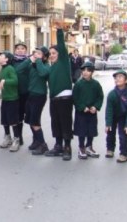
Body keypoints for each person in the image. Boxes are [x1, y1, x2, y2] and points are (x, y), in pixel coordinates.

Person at [45, 26, 74, 161]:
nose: (51, 55)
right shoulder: (51, 67)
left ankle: (67, 146)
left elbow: (61, 46)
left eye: (54, 53)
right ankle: (58, 145)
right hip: (54, 99)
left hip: (65, 98)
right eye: (50, 53)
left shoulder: (63, 61)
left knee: (65, 122)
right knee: (55, 122)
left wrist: (59, 32)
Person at [17, 46, 51, 155]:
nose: (36, 55)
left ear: (45, 57)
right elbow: (18, 70)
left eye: (39, 54)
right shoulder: (31, 64)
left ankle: (43, 145)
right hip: (30, 94)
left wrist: (39, 61)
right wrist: (29, 60)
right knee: (30, 120)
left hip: (39, 95)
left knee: (35, 122)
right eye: (35, 53)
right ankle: (36, 141)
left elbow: (43, 73)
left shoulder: (46, 66)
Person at [73, 61, 104, 159]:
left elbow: (100, 96)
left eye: (88, 70)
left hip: (92, 111)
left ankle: (89, 146)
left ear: (92, 72)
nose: (85, 72)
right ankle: (81, 147)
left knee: (91, 130)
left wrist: (95, 106)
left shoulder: (96, 84)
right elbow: (75, 98)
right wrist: (82, 107)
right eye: (84, 70)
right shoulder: (78, 84)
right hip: (81, 112)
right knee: (81, 130)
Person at [105, 70, 127, 163]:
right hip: (113, 115)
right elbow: (109, 110)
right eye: (116, 77)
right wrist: (108, 123)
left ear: (126, 80)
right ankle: (110, 149)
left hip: (124, 116)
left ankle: (124, 154)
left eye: (120, 77)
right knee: (110, 133)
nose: (117, 79)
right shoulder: (112, 94)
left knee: (123, 135)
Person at [0, 51, 20, 151]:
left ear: (6, 59)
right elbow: (2, 78)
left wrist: (4, 81)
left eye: (1, 56)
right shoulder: (3, 69)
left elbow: (15, 81)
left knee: (13, 121)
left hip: (12, 99)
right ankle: (7, 138)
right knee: (4, 120)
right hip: (5, 99)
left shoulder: (10, 68)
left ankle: (16, 139)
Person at [11, 42, 30, 148]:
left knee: (29, 116)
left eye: (22, 48)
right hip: (15, 93)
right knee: (17, 117)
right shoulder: (12, 61)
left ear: (25, 50)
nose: (20, 50)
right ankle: (18, 137)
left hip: (27, 93)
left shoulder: (29, 61)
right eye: (18, 48)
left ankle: (36, 140)